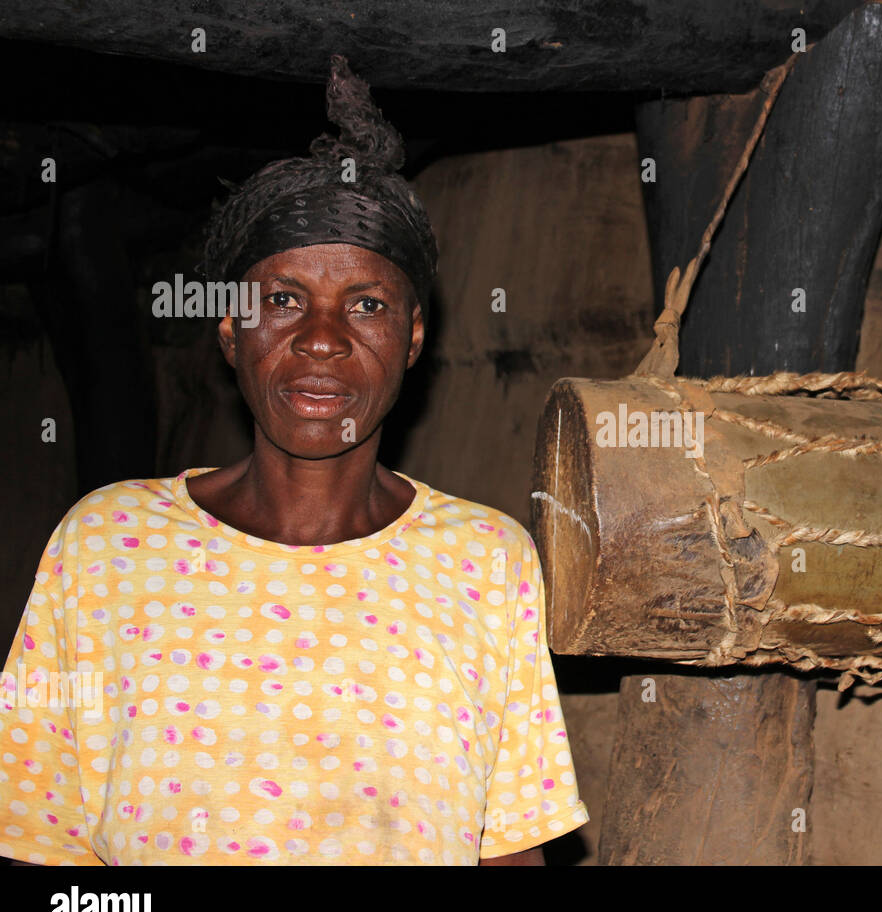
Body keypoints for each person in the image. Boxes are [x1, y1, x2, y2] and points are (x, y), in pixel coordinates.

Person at [0, 55, 588, 866]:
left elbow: (511, 850)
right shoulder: (104, 547)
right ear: (229, 330)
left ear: (413, 338)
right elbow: (38, 845)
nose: (321, 338)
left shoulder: (485, 564)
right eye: (281, 300)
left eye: (368, 305)